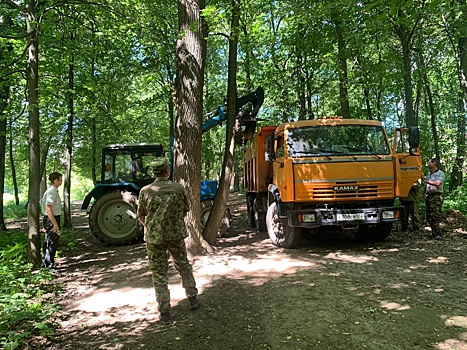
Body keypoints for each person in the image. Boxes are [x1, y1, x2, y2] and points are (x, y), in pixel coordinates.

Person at [137, 157, 199, 325]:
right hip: (175, 236)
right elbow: (185, 211)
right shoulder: (178, 189)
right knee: (183, 265)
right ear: (167, 171)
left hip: (154, 239)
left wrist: (151, 227)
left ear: (153, 172)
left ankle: (165, 313)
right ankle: (193, 298)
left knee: (159, 273)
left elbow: (141, 215)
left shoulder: (145, 191)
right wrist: (173, 223)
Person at [41, 172, 63, 268]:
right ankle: (49, 266)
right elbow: (48, 209)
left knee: (50, 241)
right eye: (60, 179)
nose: (61, 181)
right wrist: (55, 224)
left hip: (51, 218)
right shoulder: (52, 191)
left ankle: (47, 264)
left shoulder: (54, 191)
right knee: (51, 242)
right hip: (52, 219)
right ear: (55, 181)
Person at [423, 158, 445, 240]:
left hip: (436, 196)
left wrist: (425, 181)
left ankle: (437, 233)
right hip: (429, 196)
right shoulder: (429, 173)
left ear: (434, 163)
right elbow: (427, 186)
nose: (428, 164)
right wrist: (422, 194)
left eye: (429, 162)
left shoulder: (440, 173)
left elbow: (438, 183)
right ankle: (433, 232)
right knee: (429, 215)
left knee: (435, 215)